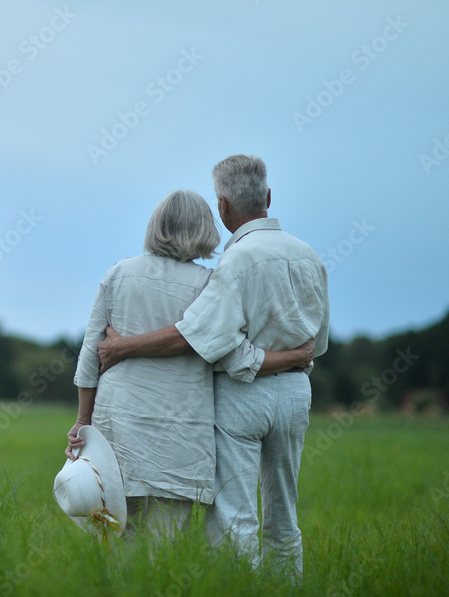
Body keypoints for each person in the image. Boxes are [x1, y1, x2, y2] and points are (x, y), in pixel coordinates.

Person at [97, 155, 329, 580]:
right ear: (269, 197)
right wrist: (296, 358)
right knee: (285, 514)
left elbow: (201, 339)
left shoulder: (235, 262)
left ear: (222, 207)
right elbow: (318, 341)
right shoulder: (308, 255)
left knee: (236, 517)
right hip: (297, 395)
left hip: (244, 396)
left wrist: (123, 347)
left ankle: (242, 590)